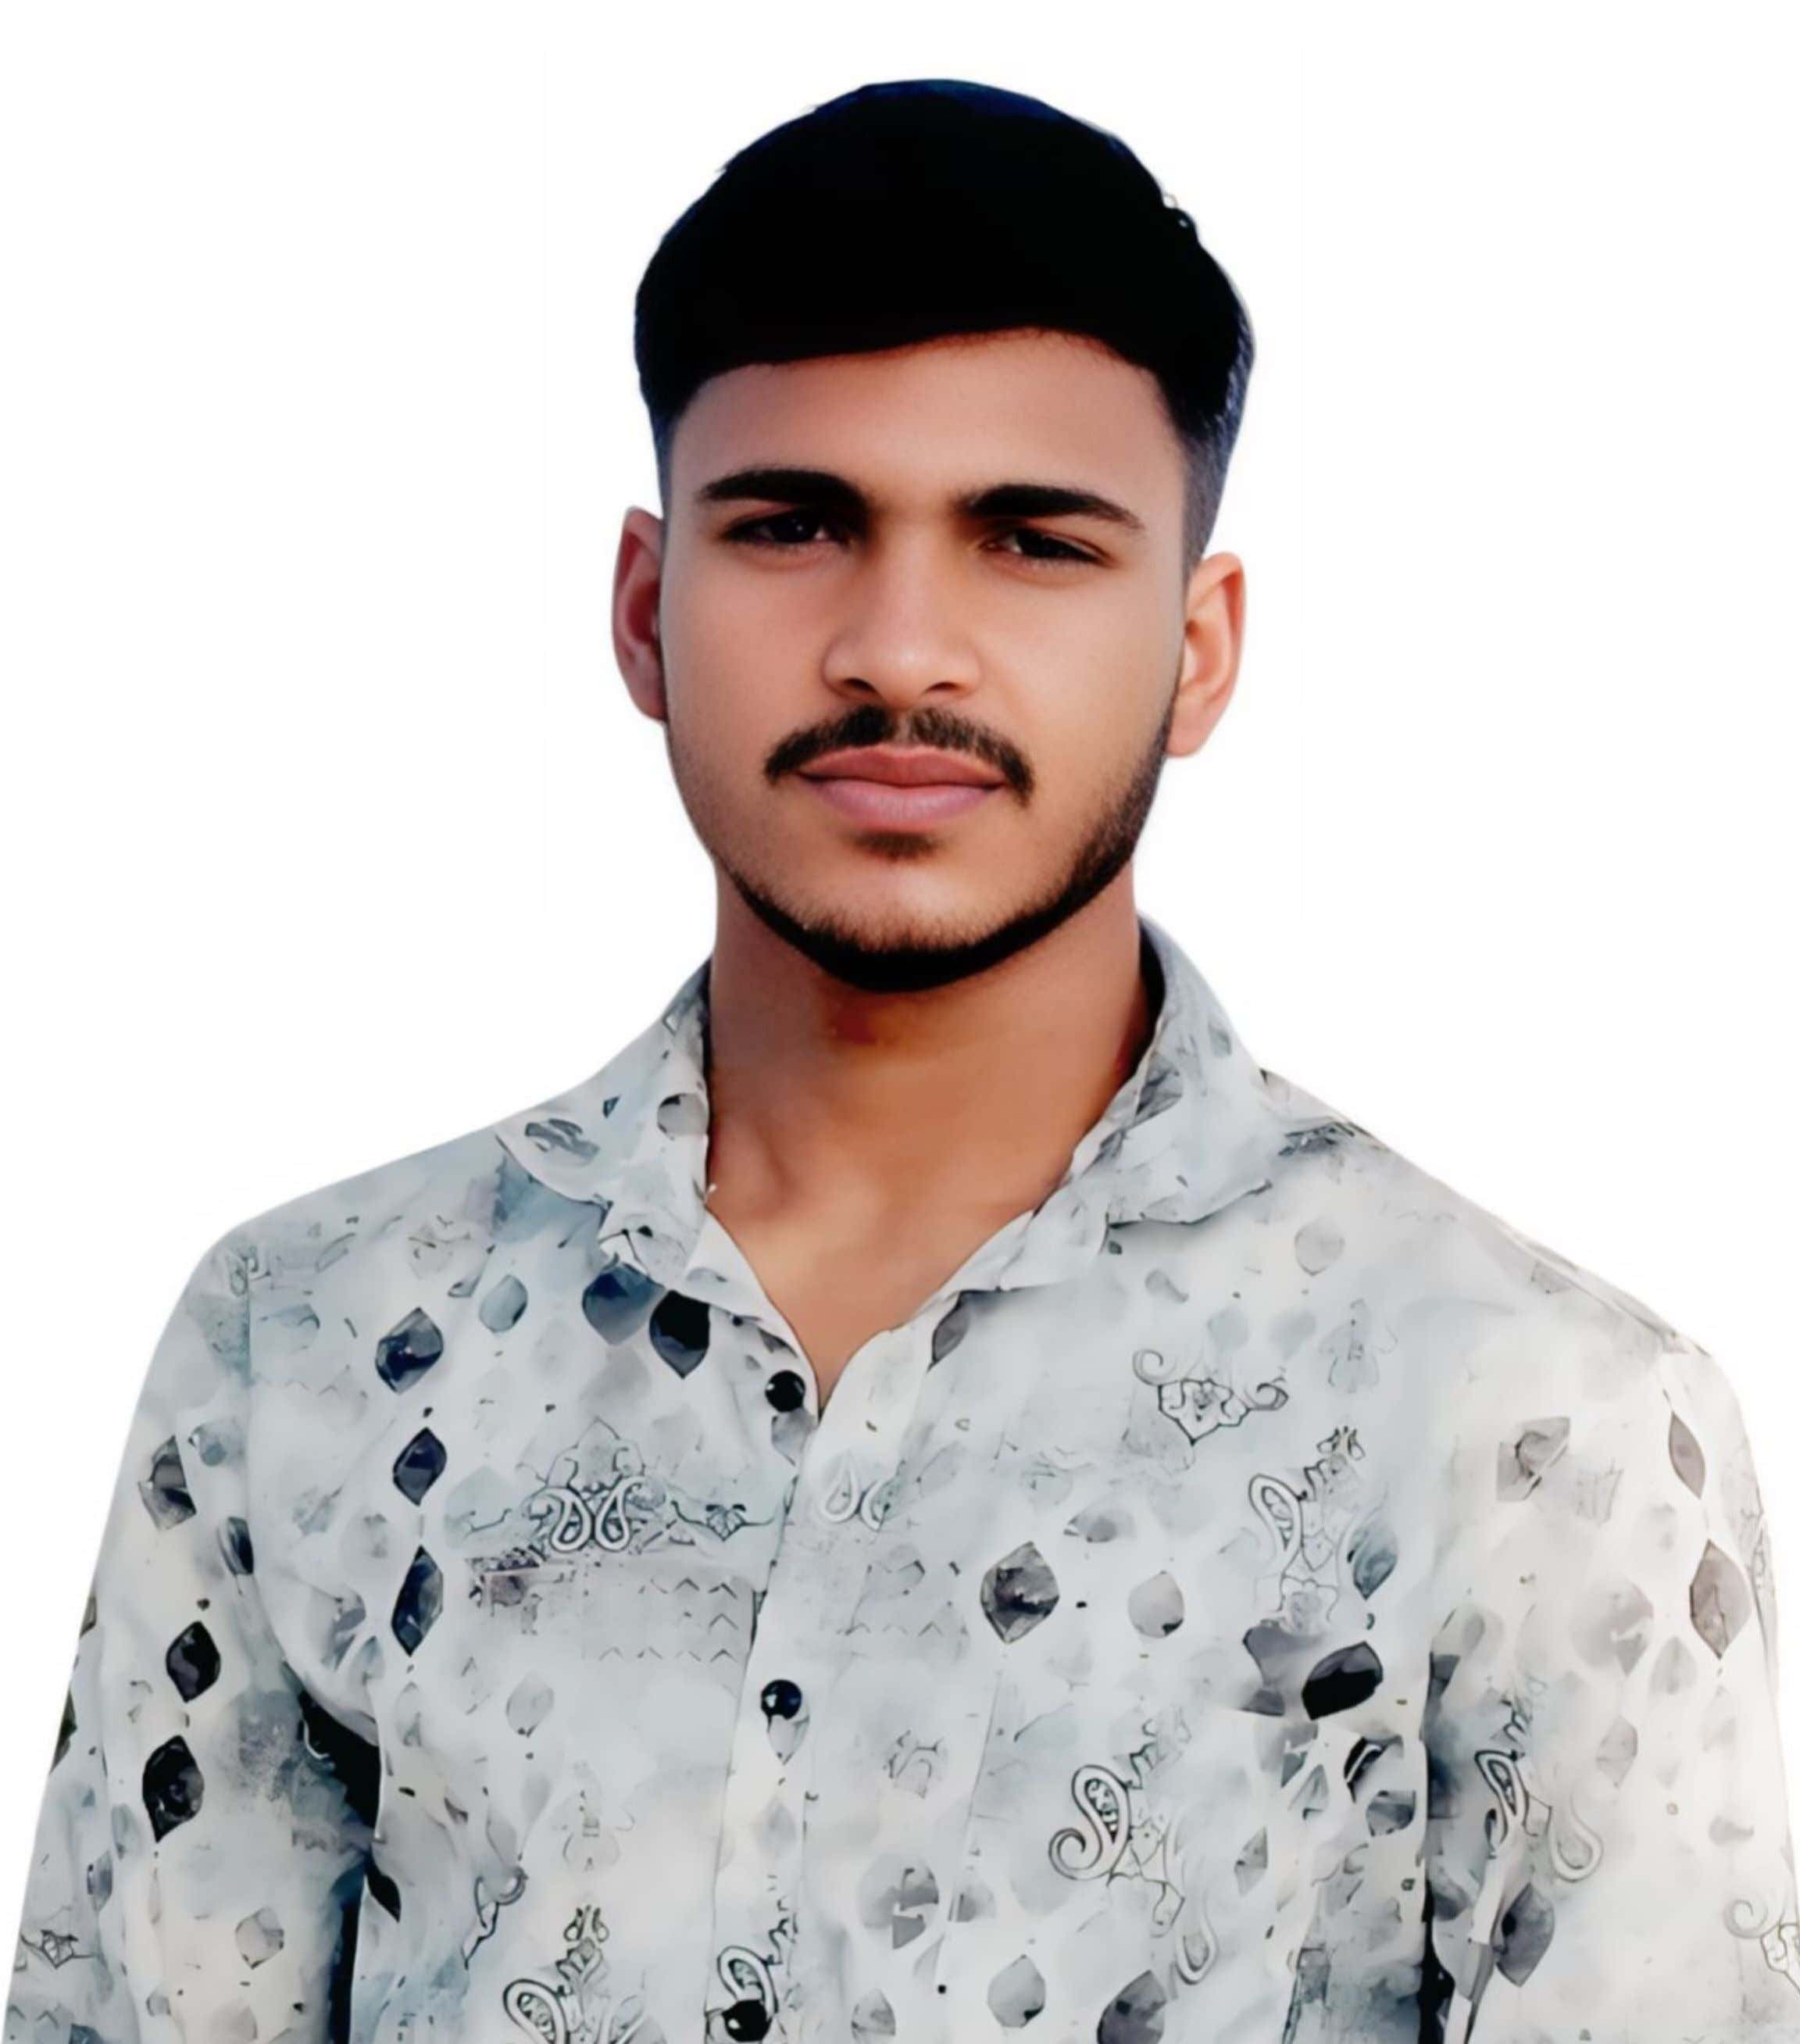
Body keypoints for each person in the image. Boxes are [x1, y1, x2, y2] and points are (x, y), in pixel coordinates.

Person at [7, 75, 1798, 2044]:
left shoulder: (1528, 1413)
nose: (898, 650)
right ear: (644, 609)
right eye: (794, 525)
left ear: (1199, 649)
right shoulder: (314, 1343)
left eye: (1032, 541)